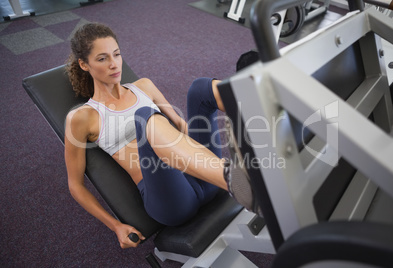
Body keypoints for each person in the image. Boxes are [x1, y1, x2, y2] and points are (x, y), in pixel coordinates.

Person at [64, 22, 255, 249]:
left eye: (116, 54)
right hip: (173, 201)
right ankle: (240, 179)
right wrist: (115, 226)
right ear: (84, 64)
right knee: (145, 117)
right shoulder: (83, 117)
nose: (114, 64)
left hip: (203, 178)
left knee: (199, 88)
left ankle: (270, 119)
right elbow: (75, 185)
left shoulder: (143, 86)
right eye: (102, 58)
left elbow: (181, 126)